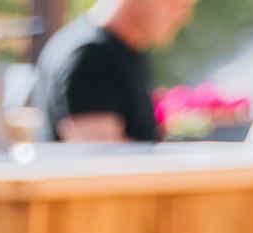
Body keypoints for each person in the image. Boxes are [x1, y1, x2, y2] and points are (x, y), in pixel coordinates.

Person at [36, 0, 198, 141]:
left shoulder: (125, 50)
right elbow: (100, 158)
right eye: (177, 3)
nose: (183, 17)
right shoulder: (91, 57)